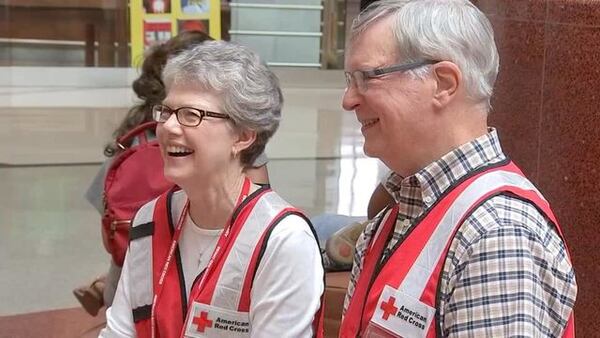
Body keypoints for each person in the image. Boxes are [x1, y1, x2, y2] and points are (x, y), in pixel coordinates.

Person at [339, 1, 577, 337]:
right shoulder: (391, 222)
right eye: (350, 80)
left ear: (444, 83)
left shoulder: (498, 235)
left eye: (367, 78)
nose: (348, 100)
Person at [99, 41, 324, 337]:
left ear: (243, 136)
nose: (168, 127)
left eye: (191, 115)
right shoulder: (149, 219)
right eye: (166, 112)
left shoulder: (283, 240)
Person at [74, 30, 269, 317]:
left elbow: (108, 217)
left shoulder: (131, 140)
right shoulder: (230, 138)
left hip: (129, 291)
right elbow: (257, 209)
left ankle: (104, 286)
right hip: (206, 296)